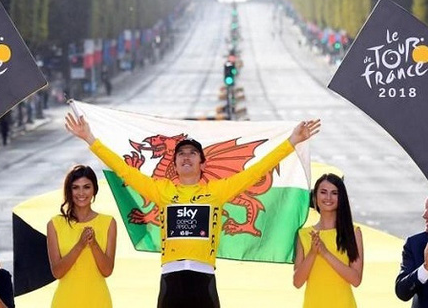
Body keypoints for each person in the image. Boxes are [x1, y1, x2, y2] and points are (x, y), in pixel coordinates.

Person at [65, 111, 321, 308]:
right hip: (170, 278)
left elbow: (258, 169)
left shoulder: (218, 191)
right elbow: (124, 170)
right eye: (181, 154)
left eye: (192, 153)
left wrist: (292, 141)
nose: (186, 157)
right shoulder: (162, 190)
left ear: (202, 161)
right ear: (174, 163)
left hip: (204, 279)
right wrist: (89, 138)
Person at [46, 165, 117, 308]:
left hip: (98, 300)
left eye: (86, 187)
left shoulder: (108, 222)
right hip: (65, 301)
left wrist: (94, 244)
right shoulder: (55, 224)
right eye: (75, 187)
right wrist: (80, 245)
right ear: (69, 191)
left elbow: (107, 270)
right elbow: (57, 272)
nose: (81, 193)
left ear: (94, 190)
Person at [292, 173, 363, 308]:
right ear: (315, 197)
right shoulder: (304, 234)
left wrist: (325, 253)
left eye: (334, 193)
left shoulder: (353, 233)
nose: (328, 198)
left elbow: (356, 279)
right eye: (323, 192)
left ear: (341, 197)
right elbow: (297, 282)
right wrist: (313, 252)